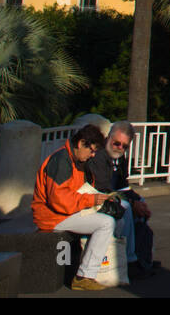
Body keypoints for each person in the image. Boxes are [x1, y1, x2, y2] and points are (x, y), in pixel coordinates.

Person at [32, 124, 117, 292]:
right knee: (106, 223)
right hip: (52, 216)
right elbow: (59, 200)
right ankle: (84, 276)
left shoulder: (74, 159)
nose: (92, 155)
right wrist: (90, 200)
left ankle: (106, 268)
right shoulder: (61, 161)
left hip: (63, 212)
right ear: (81, 143)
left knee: (111, 218)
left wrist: (94, 199)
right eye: (91, 150)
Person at [85, 120, 159, 278]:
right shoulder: (98, 156)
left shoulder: (120, 157)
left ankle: (142, 256)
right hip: (94, 198)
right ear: (109, 137)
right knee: (124, 207)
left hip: (111, 196)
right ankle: (129, 259)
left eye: (124, 146)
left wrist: (138, 201)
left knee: (140, 203)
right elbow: (103, 189)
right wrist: (132, 203)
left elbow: (122, 185)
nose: (119, 148)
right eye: (116, 143)